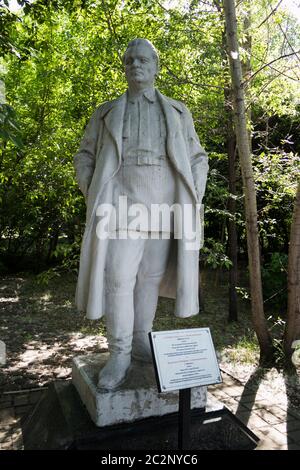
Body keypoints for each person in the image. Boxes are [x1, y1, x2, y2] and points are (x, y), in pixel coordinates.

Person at [74, 38, 209, 390]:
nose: (136, 65)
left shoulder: (178, 111)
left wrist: (193, 195)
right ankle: (118, 353)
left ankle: (140, 341)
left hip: (165, 206)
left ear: (156, 65)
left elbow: (197, 158)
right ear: (124, 67)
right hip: (119, 206)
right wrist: (93, 193)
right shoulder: (106, 112)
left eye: (144, 59)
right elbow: (85, 155)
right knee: (118, 279)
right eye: (130, 60)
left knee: (149, 278)